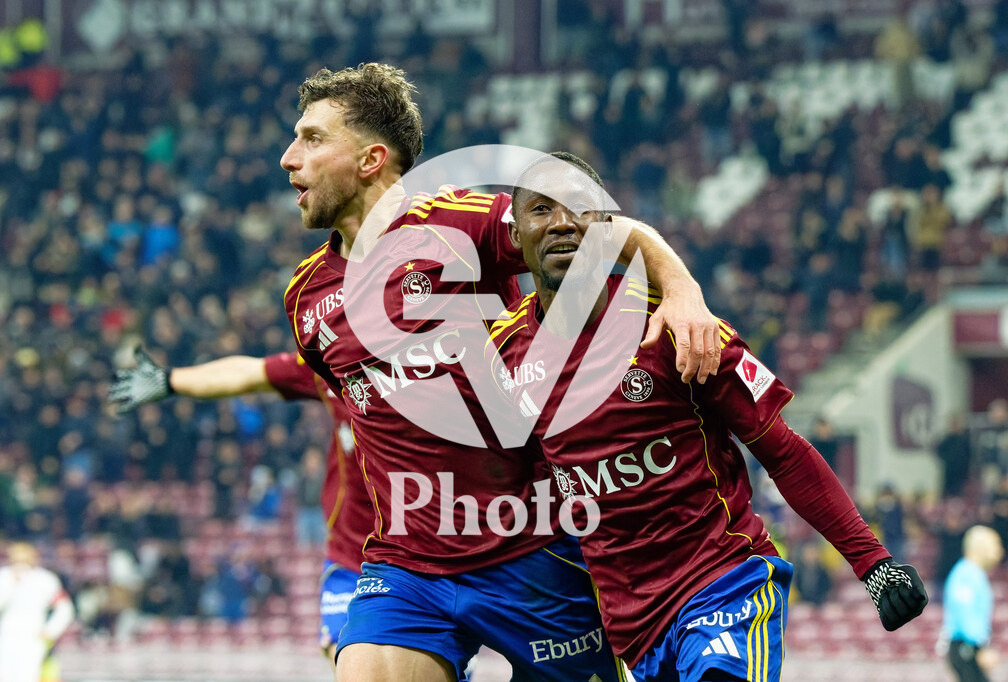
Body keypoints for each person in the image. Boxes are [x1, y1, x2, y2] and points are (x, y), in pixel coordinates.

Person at [278, 62, 720, 681]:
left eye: (311, 138)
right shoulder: (305, 299)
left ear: (371, 158)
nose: (288, 158)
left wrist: (681, 290)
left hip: (533, 551)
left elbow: (606, 230)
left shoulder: (462, 224)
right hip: (408, 566)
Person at [489, 151, 929, 681]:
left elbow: (782, 451)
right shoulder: (505, 355)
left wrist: (873, 564)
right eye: (541, 210)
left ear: (608, 227)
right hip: (633, 628)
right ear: (516, 236)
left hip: (724, 580)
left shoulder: (677, 325)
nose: (562, 222)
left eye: (580, 207)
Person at [108, 348, 368, 664]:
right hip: (351, 554)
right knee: (345, 653)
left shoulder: (435, 369)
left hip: (419, 553)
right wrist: (170, 379)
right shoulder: (335, 365)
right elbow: (250, 373)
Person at [0, 542, 75, 682]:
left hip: (33, 636)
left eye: (24, 559)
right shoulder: (3, 576)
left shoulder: (45, 579)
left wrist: (50, 631)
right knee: (2, 676)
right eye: (16, 559)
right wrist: (10, 586)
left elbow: (65, 609)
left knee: (28, 676)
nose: (20, 563)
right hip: (6, 636)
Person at [942, 525, 1003, 682]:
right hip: (966, 647)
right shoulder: (966, 575)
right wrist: (978, 648)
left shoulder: (974, 574)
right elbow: (965, 612)